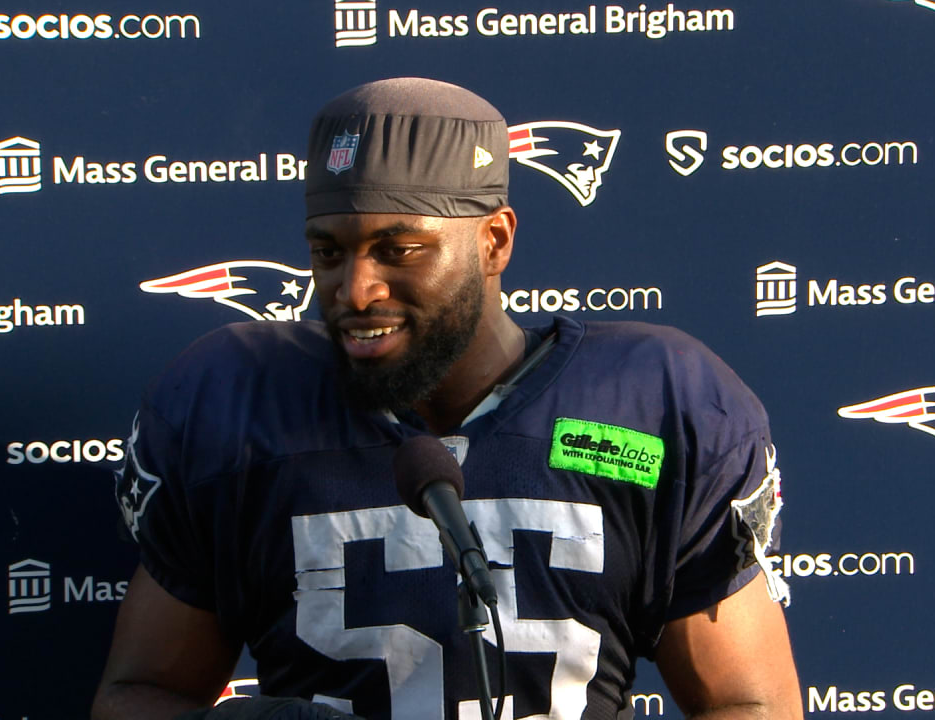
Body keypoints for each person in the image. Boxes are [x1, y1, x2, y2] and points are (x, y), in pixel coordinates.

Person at [91, 77, 802, 720]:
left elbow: (747, 702)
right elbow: (146, 691)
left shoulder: (657, 402)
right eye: (328, 253)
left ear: (493, 241)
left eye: (398, 250)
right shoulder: (237, 404)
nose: (355, 291)